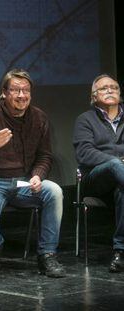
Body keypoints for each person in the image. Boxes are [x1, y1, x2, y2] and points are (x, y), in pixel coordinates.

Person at [0, 69, 65, 278]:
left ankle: (47, 254)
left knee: (53, 191)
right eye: (15, 90)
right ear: (4, 93)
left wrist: (38, 175)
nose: (21, 95)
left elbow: (45, 156)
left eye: (26, 90)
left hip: (24, 182)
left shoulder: (39, 118)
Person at [73, 74, 124, 272]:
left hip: (120, 182)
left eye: (114, 87)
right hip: (96, 179)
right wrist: (117, 162)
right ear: (94, 97)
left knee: (122, 190)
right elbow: (85, 153)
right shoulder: (85, 120)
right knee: (113, 165)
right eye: (104, 88)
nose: (110, 90)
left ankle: (120, 251)